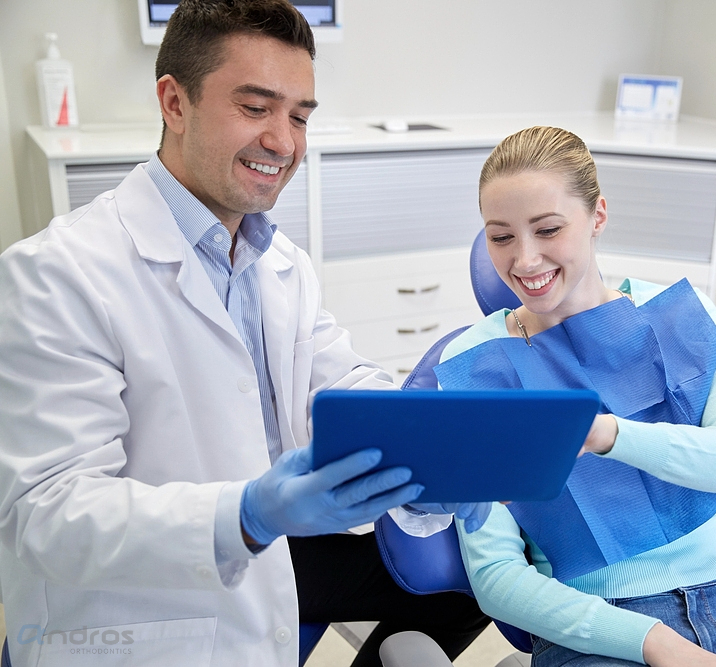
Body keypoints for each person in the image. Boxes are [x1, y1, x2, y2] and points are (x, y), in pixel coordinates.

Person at [0, 2, 488, 666]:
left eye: (299, 116)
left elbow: (341, 381)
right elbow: (45, 515)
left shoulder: (280, 264)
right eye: (255, 108)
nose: (284, 142)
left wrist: (435, 442)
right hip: (139, 616)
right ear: (174, 102)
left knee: (469, 581)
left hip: (272, 554)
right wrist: (246, 514)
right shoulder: (57, 275)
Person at [433, 126, 716, 667]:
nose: (525, 259)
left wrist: (606, 433)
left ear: (598, 217)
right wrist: (658, 644)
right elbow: (496, 579)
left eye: (548, 229)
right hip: (594, 626)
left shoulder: (676, 315)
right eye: (501, 236)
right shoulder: (476, 366)